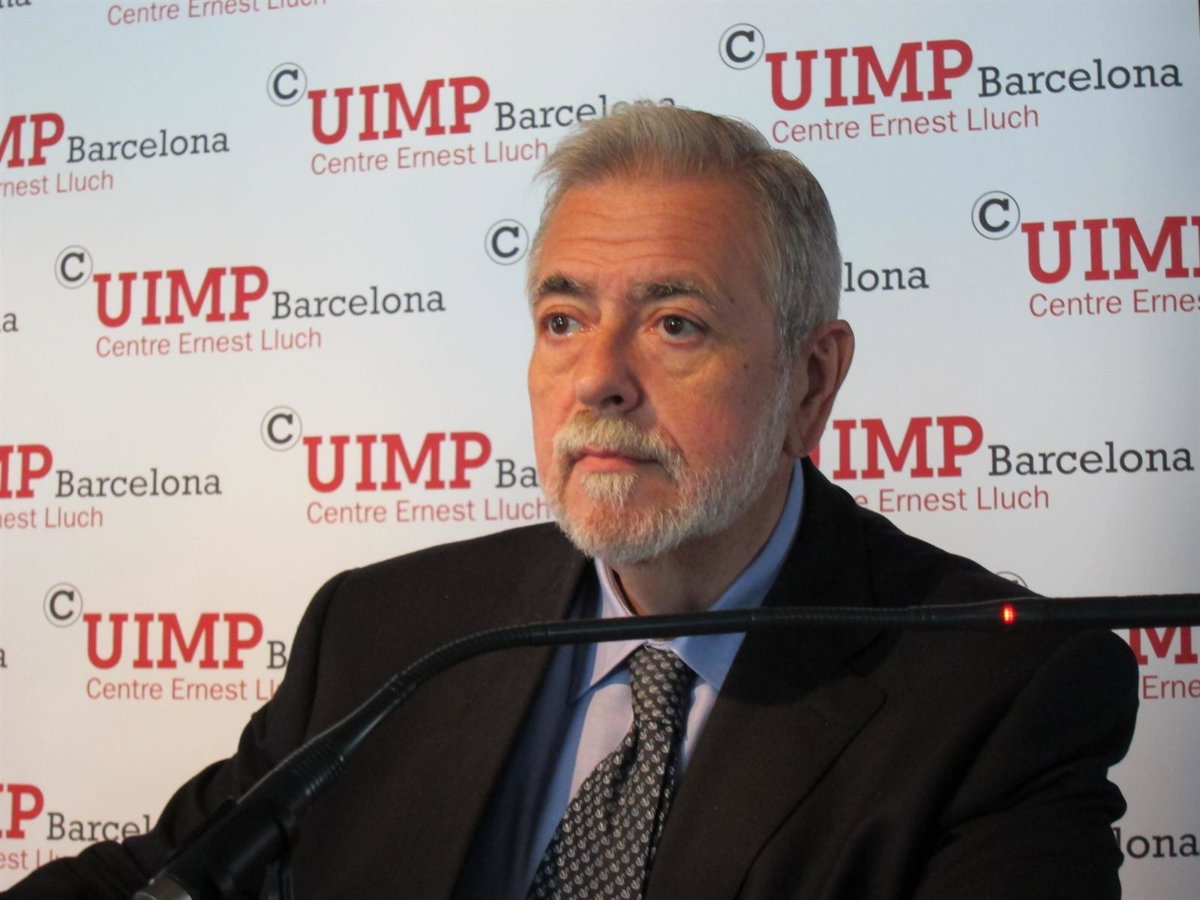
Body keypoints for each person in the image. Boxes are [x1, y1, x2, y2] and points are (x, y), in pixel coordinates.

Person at [6, 105, 1137, 900]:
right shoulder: (386, 632)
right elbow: (168, 876)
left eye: (674, 323)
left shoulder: (997, 691)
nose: (598, 377)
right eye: (562, 320)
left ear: (810, 380)